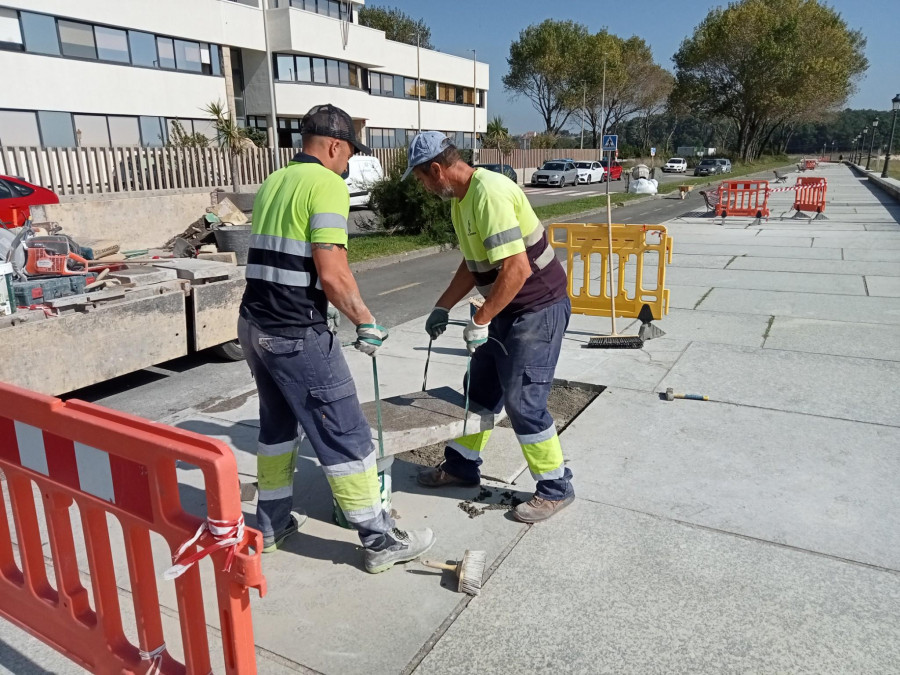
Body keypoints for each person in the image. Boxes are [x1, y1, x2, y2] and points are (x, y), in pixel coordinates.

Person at [238, 104, 434, 572]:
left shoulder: (274, 181)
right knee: (346, 433)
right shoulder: (327, 184)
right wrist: (365, 319)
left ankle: (271, 525)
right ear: (332, 146)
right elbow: (332, 272)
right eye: (348, 154)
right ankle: (379, 541)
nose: (348, 165)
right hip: (295, 332)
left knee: (277, 430)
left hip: (254, 325)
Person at [405, 131, 575, 522]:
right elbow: (474, 263)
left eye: (421, 179)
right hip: (506, 307)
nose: (424, 188)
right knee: (478, 389)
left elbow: (517, 269)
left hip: (537, 308)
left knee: (523, 401)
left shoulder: (489, 193)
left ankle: (556, 487)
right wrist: (442, 307)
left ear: (437, 170)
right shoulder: (460, 200)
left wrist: (481, 319)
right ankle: (462, 466)